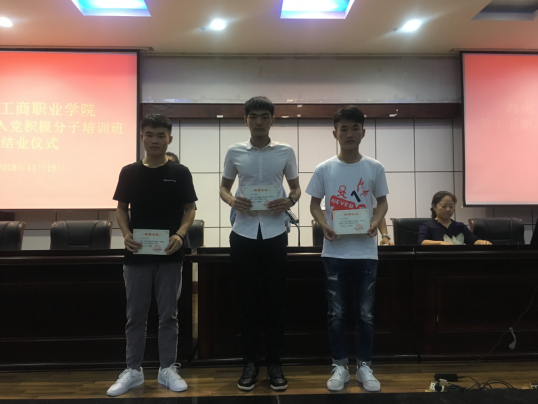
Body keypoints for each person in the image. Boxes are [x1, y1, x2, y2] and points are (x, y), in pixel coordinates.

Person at [107, 114, 198, 397]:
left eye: (160, 135)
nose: (155, 140)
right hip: (137, 254)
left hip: (170, 253)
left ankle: (167, 368)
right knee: (135, 315)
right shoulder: (129, 172)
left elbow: (190, 209)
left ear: (169, 139)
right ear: (141, 137)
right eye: (149, 134)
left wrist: (180, 235)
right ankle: (133, 370)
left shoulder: (180, 172)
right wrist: (125, 234)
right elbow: (121, 208)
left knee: (169, 315)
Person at [219, 96, 301, 392]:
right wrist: (232, 201)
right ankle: (250, 363)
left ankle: (275, 363)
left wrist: (289, 201)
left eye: (264, 116)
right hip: (243, 234)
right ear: (246, 120)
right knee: (247, 303)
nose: (259, 122)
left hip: (275, 233)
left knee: (276, 303)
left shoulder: (285, 151)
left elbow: (296, 188)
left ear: (272, 119)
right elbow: (223, 188)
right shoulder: (234, 151)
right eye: (253, 116)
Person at [306, 106, 388, 393]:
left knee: (365, 315)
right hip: (334, 252)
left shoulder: (375, 167)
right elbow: (314, 205)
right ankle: (340, 365)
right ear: (335, 133)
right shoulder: (324, 168)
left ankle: (364, 366)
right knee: (336, 314)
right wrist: (323, 225)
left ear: (363, 132)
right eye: (344, 129)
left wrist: (375, 222)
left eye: (355, 128)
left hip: (366, 252)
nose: (349, 133)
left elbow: (382, 203)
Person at [418, 191, 492, 245]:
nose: (448, 209)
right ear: (434, 207)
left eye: (451, 206)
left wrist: (482, 242)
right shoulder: (427, 226)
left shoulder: (460, 226)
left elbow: (473, 240)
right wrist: (440, 243)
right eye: (444, 206)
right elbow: (421, 242)